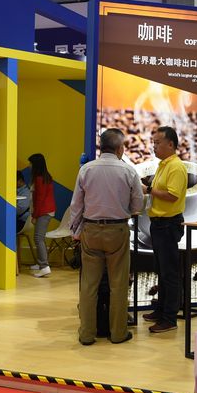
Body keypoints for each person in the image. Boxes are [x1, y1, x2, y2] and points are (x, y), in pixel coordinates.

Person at [68, 129, 144, 345]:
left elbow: (76, 205)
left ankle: (86, 334)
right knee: (118, 284)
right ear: (120, 149)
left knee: (89, 285)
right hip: (118, 230)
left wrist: (75, 232)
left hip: (91, 230)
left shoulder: (86, 170)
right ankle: (118, 333)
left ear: (101, 147)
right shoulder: (129, 171)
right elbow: (138, 205)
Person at [142, 126, 188, 333]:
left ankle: (169, 318)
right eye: (153, 142)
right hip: (159, 224)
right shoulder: (163, 165)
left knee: (169, 273)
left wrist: (149, 189)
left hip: (168, 224)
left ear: (171, 144)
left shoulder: (176, 167)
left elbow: (172, 195)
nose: (154, 146)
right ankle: (161, 310)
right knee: (161, 270)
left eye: (158, 142)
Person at [27, 153, 56, 278]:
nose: (29, 166)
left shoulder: (39, 179)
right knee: (39, 237)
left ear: (36, 165)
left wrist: (35, 215)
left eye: (31, 163)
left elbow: (39, 199)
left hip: (44, 212)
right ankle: (40, 264)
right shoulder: (45, 177)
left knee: (38, 238)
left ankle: (44, 266)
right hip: (46, 211)